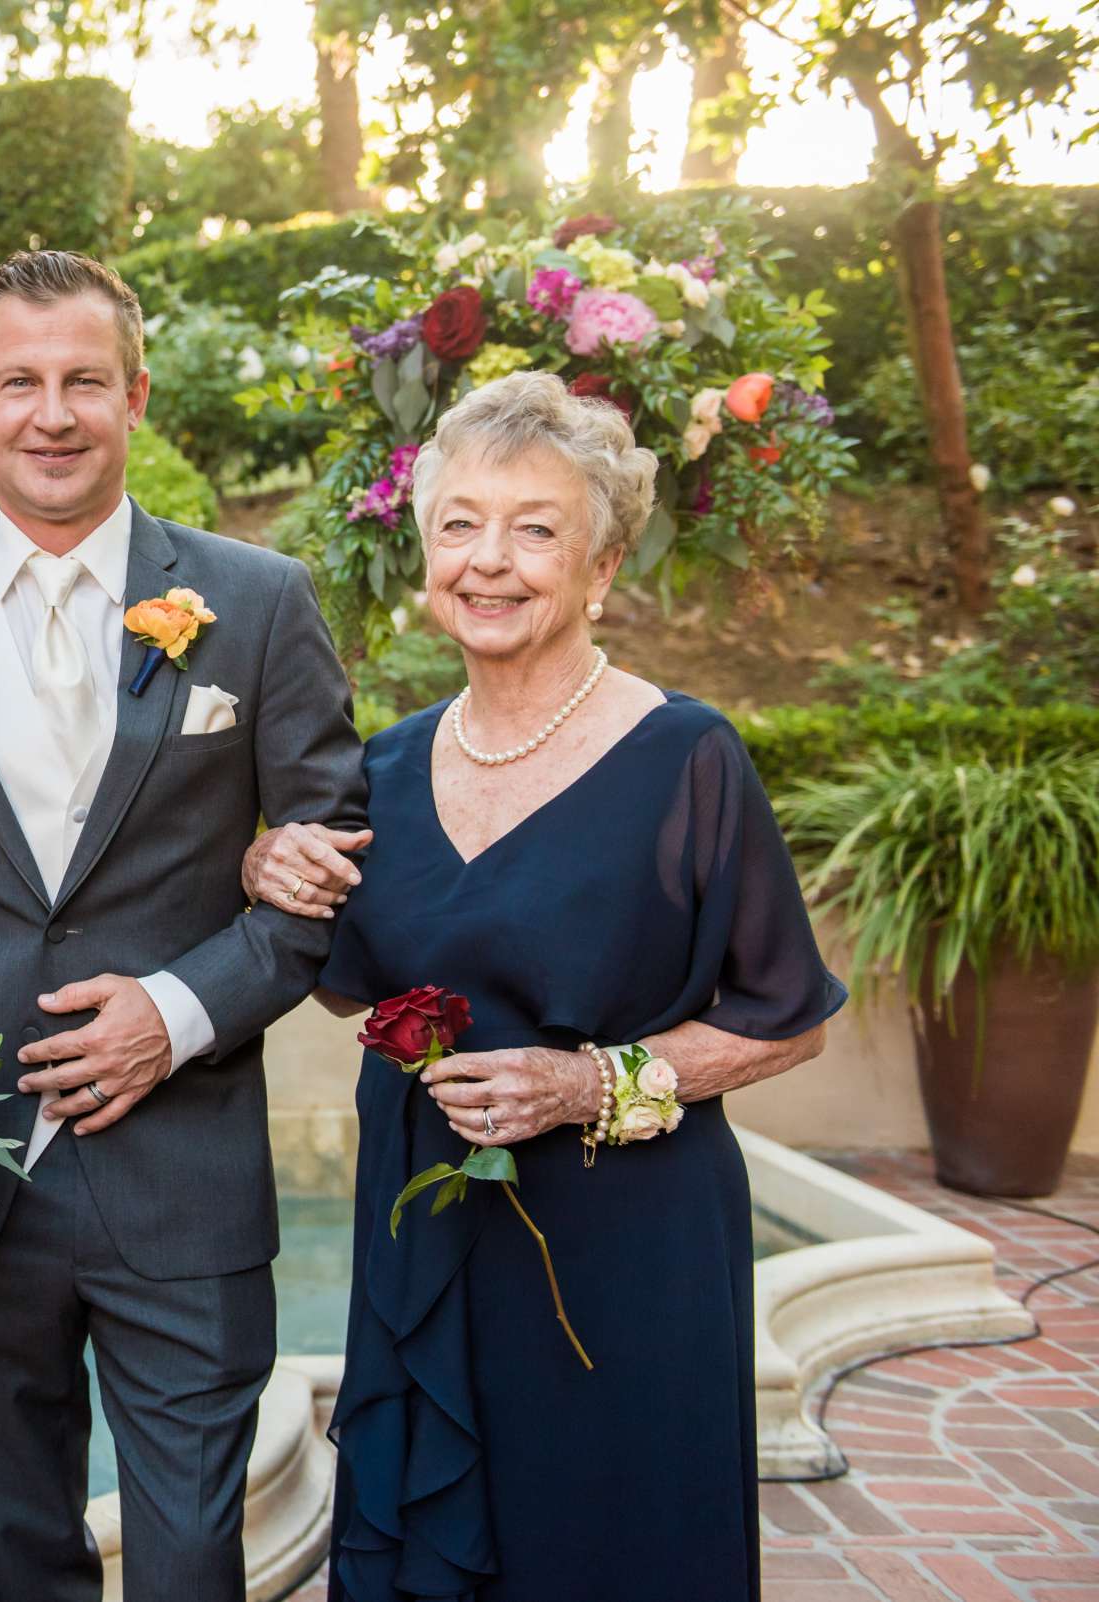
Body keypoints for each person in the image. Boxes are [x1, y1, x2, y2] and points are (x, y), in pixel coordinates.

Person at [245, 370, 847, 1602]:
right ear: (424, 556)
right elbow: (348, 985)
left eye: (537, 528)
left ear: (603, 564)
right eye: (459, 523)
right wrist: (270, 863)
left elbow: (783, 1021)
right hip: (431, 1228)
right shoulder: (387, 768)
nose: (490, 560)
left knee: (609, 1544)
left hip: (625, 1246)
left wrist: (586, 1084)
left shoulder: (686, 756)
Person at [0, 250, 369, 1602]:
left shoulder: (257, 604)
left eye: (85, 380)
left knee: (195, 1562)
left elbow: (329, 881)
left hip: (183, 1177)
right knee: (8, 1560)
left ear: (134, 394)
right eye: (19, 382)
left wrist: (177, 1010)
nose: (53, 412)